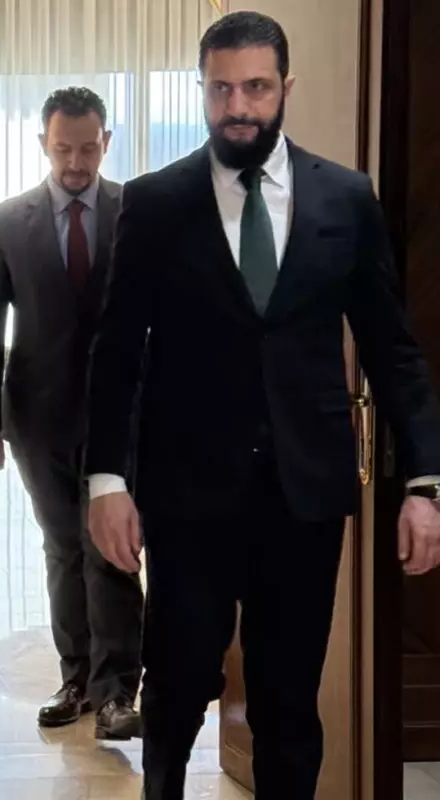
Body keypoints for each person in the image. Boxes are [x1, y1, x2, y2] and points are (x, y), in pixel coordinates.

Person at [85, 11, 440, 798]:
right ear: (201, 89)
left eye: (255, 87)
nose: (237, 107)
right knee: (177, 685)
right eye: (220, 89)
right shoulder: (154, 202)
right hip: (185, 495)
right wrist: (106, 480)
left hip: (303, 496)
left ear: (286, 88)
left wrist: (425, 483)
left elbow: (393, 350)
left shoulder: (346, 198)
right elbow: (116, 353)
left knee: (289, 702)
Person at [0, 86, 142, 739]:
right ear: (42, 145)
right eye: (62, 149)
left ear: (107, 142)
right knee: (63, 547)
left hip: (122, 414)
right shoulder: (5, 221)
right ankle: (77, 679)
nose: (75, 163)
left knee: (113, 545)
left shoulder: (136, 211)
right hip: (36, 414)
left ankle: (118, 692)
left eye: (87, 148)